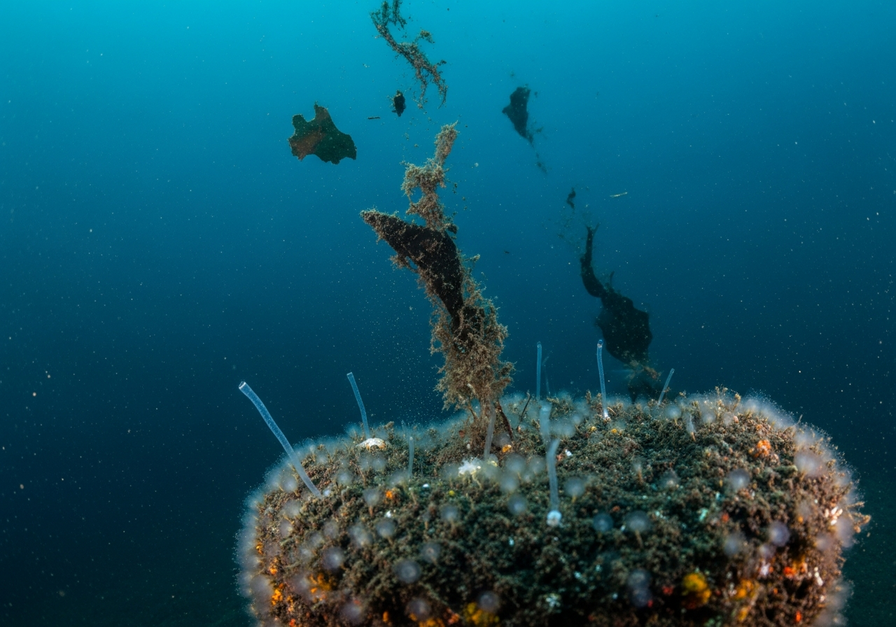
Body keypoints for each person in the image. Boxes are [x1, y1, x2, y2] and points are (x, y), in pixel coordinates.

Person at [579, 225, 668, 401]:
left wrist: (589, 242)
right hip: (626, 342)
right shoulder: (632, 336)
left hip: (627, 343)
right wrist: (589, 242)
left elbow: (588, 274)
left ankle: (647, 394)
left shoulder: (634, 338)